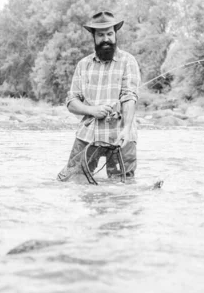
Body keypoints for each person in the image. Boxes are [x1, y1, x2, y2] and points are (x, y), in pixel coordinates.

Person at [57, 10, 141, 184]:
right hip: (88, 133)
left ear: (115, 34)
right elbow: (71, 102)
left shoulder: (128, 61)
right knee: (71, 181)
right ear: (93, 37)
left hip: (121, 135)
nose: (106, 39)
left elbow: (129, 97)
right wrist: (92, 110)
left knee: (123, 188)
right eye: (101, 35)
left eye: (110, 34)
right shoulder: (83, 64)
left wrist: (126, 128)